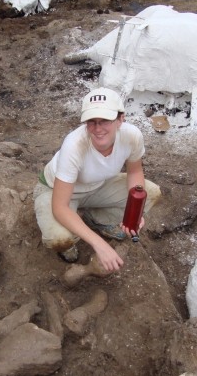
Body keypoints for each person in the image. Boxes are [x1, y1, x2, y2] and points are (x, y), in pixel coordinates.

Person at [33, 87, 161, 272]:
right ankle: (71, 238)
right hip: (55, 190)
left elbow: (134, 172)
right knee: (59, 238)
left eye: (105, 121)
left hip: (98, 185)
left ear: (120, 119)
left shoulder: (132, 136)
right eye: (91, 122)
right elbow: (59, 207)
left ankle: (96, 219)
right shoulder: (74, 145)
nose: (98, 129)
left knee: (150, 193)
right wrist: (100, 245)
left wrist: (136, 209)